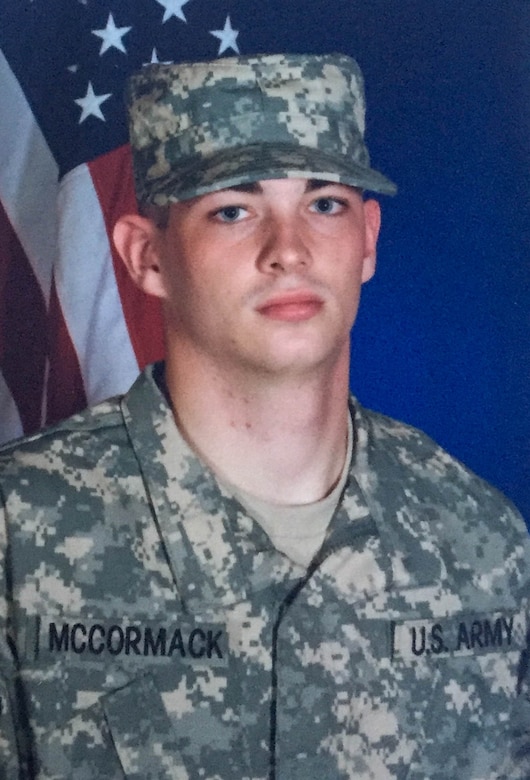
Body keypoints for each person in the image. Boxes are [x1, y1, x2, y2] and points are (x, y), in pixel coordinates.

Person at [0, 53, 528, 779]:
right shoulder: (18, 534)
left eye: (324, 204)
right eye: (232, 211)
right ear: (146, 257)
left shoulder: (480, 541)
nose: (290, 251)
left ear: (367, 240)